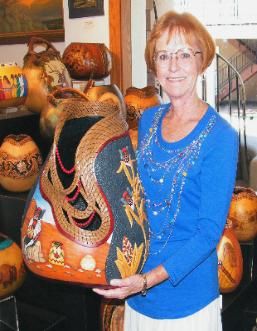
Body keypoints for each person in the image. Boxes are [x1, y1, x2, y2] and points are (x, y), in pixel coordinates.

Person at [93, 10, 239, 331]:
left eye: (184, 54)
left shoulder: (221, 137)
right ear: (154, 65)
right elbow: (135, 200)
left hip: (186, 302)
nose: (173, 66)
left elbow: (207, 235)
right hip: (136, 290)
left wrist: (147, 280)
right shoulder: (149, 120)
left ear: (202, 62)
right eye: (164, 55)